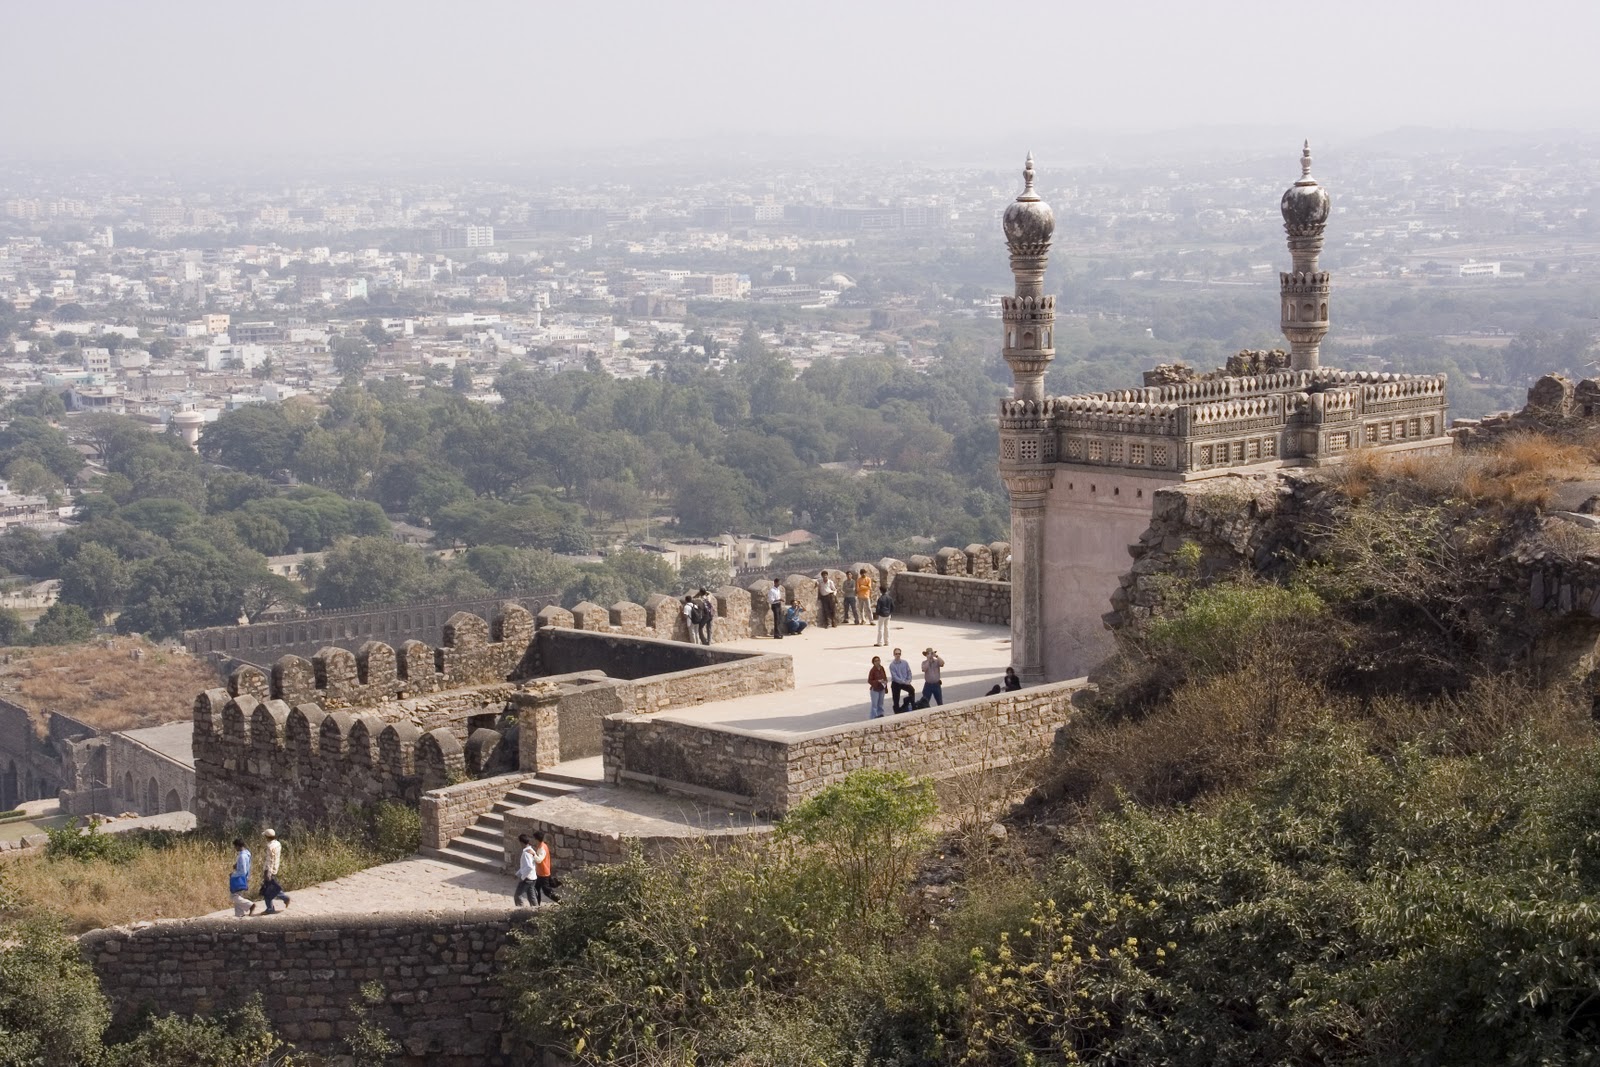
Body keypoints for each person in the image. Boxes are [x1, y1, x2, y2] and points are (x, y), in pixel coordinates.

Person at [260, 828, 290, 913]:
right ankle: (283, 898)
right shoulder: (278, 844)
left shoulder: (269, 846)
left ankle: (270, 908)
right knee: (272, 887)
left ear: (267, 837)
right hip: (275, 869)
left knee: (267, 890)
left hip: (269, 870)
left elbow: (270, 860)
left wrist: (267, 872)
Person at [532, 831, 560, 905]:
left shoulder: (542, 848)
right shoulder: (543, 845)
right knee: (536, 888)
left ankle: (562, 902)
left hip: (543, 873)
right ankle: (537, 904)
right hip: (541, 872)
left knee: (547, 891)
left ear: (537, 839)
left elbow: (539, 860)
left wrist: (533, 854)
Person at [230, 837, 254, 917]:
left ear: (238, 846)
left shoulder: (242, 856)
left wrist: (233, 874)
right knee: (239, 896)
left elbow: (243, 870)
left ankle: (250, 905)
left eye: (235, 846)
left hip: (240, 878)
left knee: (234, 896)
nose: (235, 848)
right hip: (243, 877)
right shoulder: (247, 854)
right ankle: (239, 914)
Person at [889, 648, 915, 713]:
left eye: (899, 654)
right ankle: (897, 711)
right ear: (894, 655)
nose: (898, 655)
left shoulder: (905, 663)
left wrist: (909, 680)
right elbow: (895, 677)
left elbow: (909, 672)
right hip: (896, 683)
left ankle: (911, 705)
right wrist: (904, 682)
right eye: (896, 654)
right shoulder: (892, 665)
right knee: (896, 699)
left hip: (905, 682)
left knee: (912, 690)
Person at [514, 833, 538, 907]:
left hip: (527, 879)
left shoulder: (526, 853)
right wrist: (517, 874)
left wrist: (522, 877)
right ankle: (536, 912)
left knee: (518, 896)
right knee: (532, 897)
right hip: (533, 878)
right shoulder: (531, 850)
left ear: (521, 842)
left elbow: (529, 867)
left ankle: (520, 912)